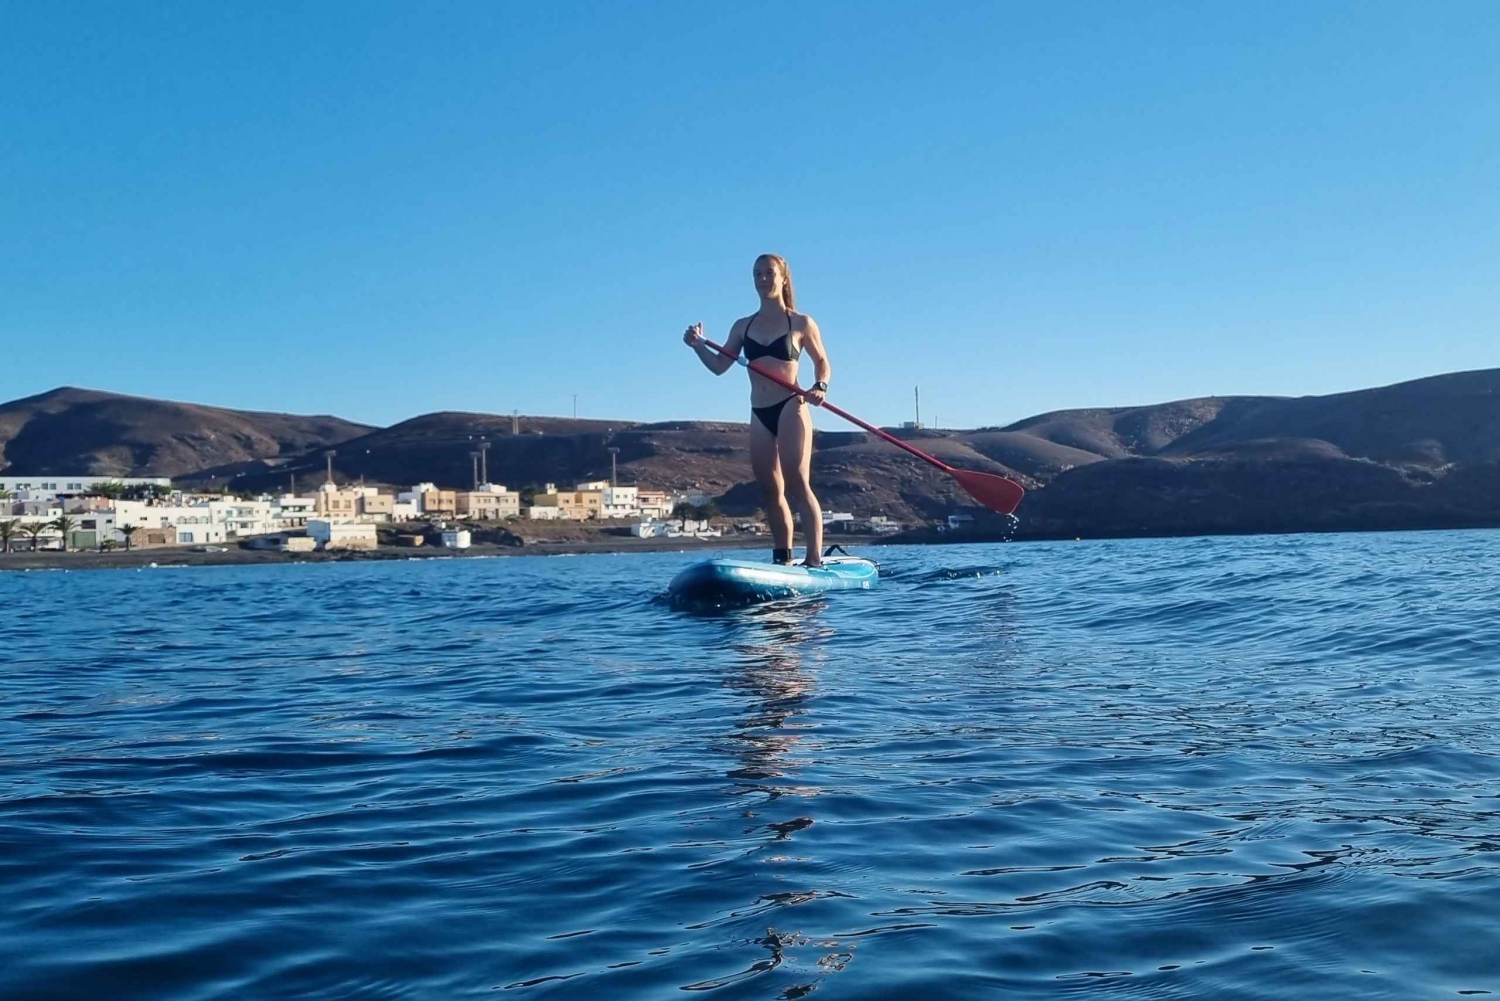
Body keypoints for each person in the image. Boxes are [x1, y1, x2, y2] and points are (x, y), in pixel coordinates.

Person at [683, 254, 831, 566]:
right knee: (770, 489)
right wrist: (698, 346)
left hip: (791, 406)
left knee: (797, 483)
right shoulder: (743, 326)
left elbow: (822, 362)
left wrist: (820, 386)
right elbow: (719, 366)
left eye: (769, 273)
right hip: (759, 412)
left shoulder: (800, 323)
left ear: (783, 278)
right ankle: (783, 558)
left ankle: (814, 559)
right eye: (757, 274)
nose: (762, 279)